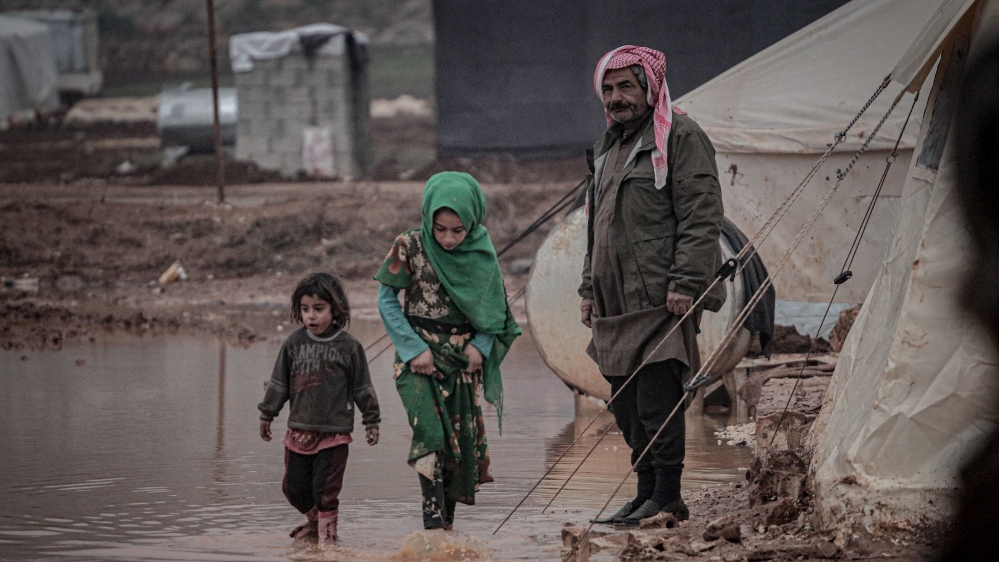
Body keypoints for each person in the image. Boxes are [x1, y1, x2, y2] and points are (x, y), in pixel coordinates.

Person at [579, 46, 726, 525]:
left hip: (663, 297)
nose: (617, 97)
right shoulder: (609, 144)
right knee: (625, 406)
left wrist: (686, 282)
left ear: (650, 87)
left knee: (658, 401)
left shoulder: (681, 135)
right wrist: (587, 287)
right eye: (608, 88)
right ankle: (645, 493)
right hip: (613, 300)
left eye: (626, 86)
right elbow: (595, 224)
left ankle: (667, 496)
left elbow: (702, 216)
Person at [375, 171, 521, 530]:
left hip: (462, 360)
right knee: (431, 435)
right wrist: (412, 349)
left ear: (472, 223)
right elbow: (386, 300)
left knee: (458, 446)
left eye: (458, 230)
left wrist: (481, 347)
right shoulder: (408, 245)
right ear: (428, 218)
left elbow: (496, 309)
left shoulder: (481, 253)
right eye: (440, 228)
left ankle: (445, 532)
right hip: (418, 359)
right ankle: (432, 524)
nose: (449, 238)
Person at [258, 272, 381, 546]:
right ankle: (315, 524)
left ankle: (328, 544)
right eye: (305, 309)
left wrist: (372, 421)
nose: (311, 316)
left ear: (335, 310)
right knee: (293, 488)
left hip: (334, 434)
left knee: (325, 492)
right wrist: (267, 413)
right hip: (299, 430)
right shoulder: (293, 344)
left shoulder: (349, 347)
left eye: (318, 309)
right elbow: (279, 383)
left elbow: (363, 387)